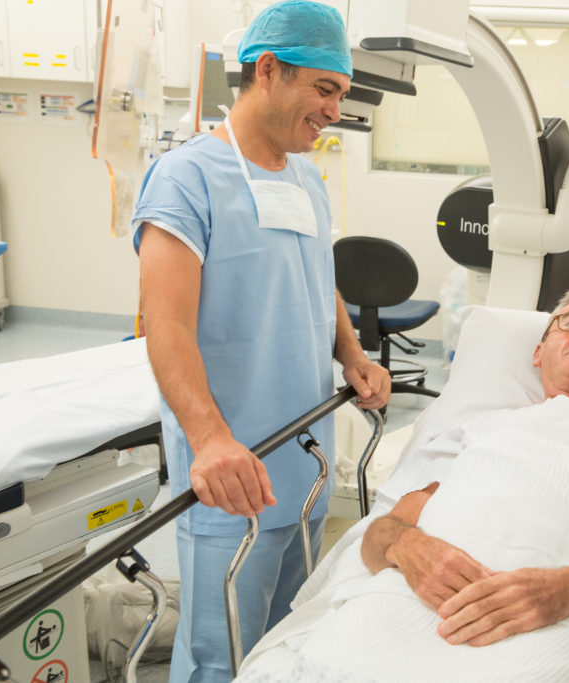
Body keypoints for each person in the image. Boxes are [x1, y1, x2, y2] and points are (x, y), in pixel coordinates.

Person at [233, 288, 569, 682]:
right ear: (538, 354)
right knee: (325, 665)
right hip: (412, 597)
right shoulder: (480, 428)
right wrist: (409, 549)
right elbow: (380, 533)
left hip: (566, 620)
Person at [133, 2, 391, 680]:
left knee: (286, 647)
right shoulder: (185, 178)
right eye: (326, 89)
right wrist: (211, 437)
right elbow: (163, 322)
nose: (336, 110)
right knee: (222, 661)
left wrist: (354, 354)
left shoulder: (307, 176)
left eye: (342, 93)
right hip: (234, 479)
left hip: (303, 466)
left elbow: (317, 276)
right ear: (269, 70)